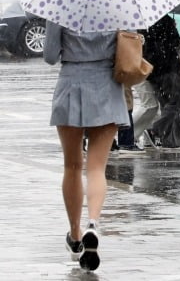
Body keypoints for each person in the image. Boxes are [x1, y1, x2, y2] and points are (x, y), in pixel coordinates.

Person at [44, 21, 130, 271]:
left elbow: (50, 56)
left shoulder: (60, 6)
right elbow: (128, 44)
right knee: (96, 167)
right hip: (107, 85)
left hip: (71, 83)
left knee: (72, 165)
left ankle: (76, 235)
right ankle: (93, 222)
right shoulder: (117, 4)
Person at [141, 15, 180, 149]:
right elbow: (175, 42)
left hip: (153, 69)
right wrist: (173, 26)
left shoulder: (143, 22)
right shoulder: (164, 20)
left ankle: (172, 141)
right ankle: (156, 130)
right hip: (168, 67)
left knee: (166, 104)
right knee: (177, 103)